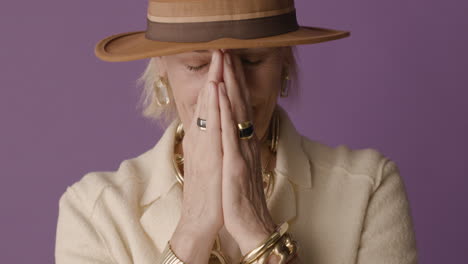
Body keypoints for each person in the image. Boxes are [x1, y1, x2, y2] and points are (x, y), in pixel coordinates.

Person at [55, 0, 418, 263]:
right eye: (197, 65)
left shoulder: (368, 187)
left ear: (285, 60)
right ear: (161, 69)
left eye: (252, 60)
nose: (227, 87)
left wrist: (254, 224)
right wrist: (193, 228)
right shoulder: (94, 210)